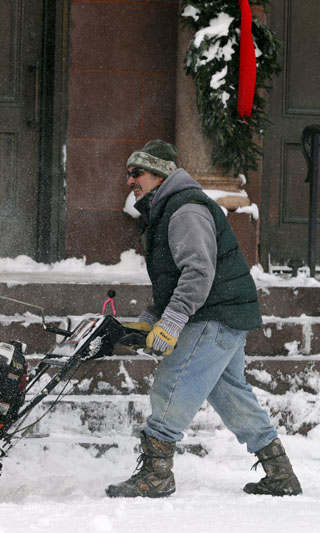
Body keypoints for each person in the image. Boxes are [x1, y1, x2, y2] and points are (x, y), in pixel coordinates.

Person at [105, 140, 302, 498]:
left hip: (213, 314)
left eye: (137, 174)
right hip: (225, 311)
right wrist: (151, 318)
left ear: (160, 174)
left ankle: (157, 475)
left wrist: (172, 321)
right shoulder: (168, 210)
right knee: (231, 395)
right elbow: (173, 280)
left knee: (172, 384)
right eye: (128, 174)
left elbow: (197, 272)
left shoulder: (185, 210)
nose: (130, 181)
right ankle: (280, 473)